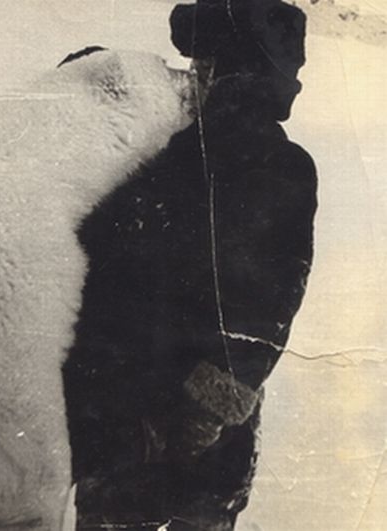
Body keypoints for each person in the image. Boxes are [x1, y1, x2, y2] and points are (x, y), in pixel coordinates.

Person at [62, 0, 318, 528]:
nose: (190, 72)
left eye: (201, 62)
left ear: (225, 66)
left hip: (153, 436)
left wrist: (199, 416)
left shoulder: (187, 155)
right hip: (169, 440)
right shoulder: (167, 145)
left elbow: (262, 311)